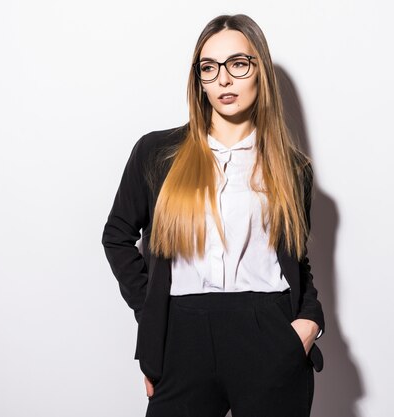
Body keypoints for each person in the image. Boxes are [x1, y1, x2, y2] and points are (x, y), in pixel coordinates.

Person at [102, 13, 325, 417]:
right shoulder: (157, 154)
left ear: (261, 72)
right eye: (209, 68)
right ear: (198, 79)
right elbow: (116, 237)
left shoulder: (292, 168)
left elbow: (296, 259)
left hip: (270, 333)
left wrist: (308, 322)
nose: (223, 79)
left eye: (238, 64)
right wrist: (153, 318)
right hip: (183, 336)